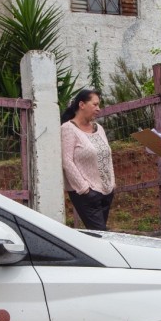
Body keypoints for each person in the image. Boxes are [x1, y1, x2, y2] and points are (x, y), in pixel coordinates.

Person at [60, 89, 116, 230]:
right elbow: (67, 161)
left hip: (106, 191)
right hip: (86, 193)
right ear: (82, 105)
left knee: (100, 235)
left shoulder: (99, 128)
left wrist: (112, 184)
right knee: (100, 234)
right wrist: (84, 189)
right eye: (94, 105)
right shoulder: (68, 129)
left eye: (99, 105)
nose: (98, 109)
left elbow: (107, 155)